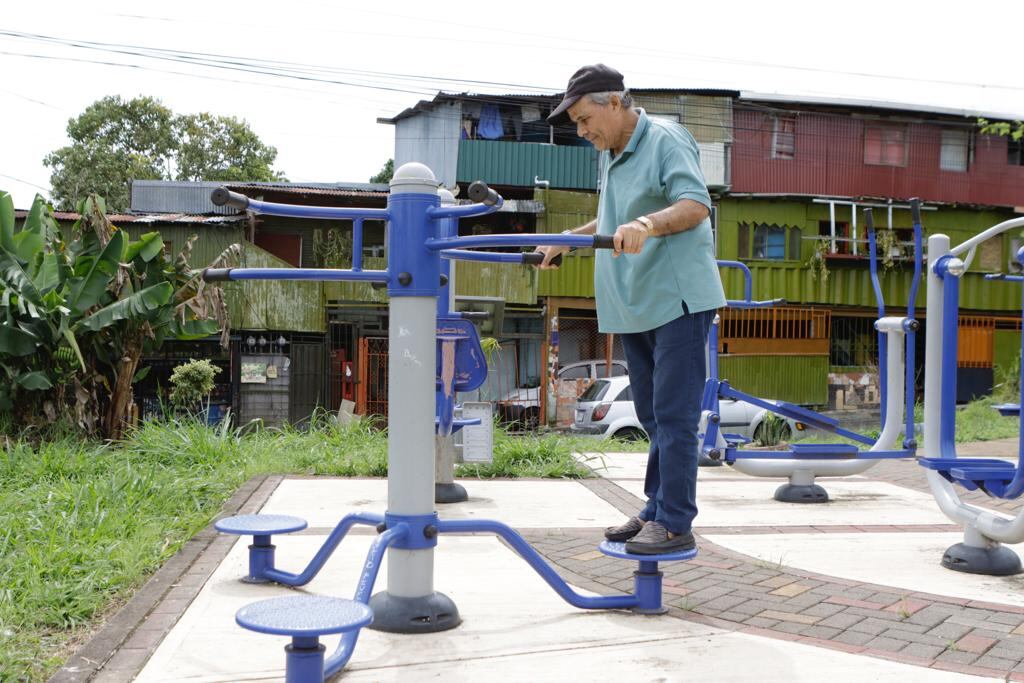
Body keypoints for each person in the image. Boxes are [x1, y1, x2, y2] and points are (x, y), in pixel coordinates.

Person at [534, 64, 726, 555]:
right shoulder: (613, 153)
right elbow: (615, 219)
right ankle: (656, 508)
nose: (581, 132)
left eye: (583, 120)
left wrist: (647, 222)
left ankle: (676, 521)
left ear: (614, 103)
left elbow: (695, 203)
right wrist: (567, 242)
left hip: (676, 300)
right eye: (575, 124)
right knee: (651, 415)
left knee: (675, 414)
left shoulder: (664, 138)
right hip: (635, 302)